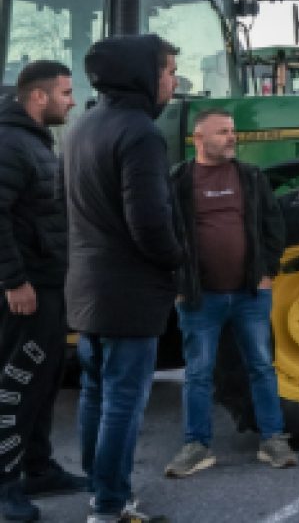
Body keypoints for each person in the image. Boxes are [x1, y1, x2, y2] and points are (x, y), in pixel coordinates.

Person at [64, 35, 184, 523]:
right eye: (170, 71)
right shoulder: (140, 133)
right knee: (123, 403)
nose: (175, 82)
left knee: (96, 394)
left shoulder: (82, 126)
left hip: (87, 287)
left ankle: (101, 491)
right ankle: (111, 506)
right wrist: (177, 263)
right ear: (144, 75)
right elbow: (150, 221)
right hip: (129, 293)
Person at [164, 109, 294, 478]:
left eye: (232, 131)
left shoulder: (250, 177)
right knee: (199, 373)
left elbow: (274, 226)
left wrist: (268, 271)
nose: (231, 137)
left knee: (261, 367)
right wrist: (178, 283)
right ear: (198, 139)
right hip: (199, 298)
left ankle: (273, 440)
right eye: (222, 132)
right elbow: (166, 233)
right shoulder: (178, 181)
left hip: (250, 294)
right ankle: (196, 446)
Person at [0, 62, 87, 522]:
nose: (72, 101)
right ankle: (5, 485)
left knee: (44, 381)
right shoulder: (11, 144)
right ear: (39, 97)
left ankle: (37, 467)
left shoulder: (34, 142)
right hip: (24, 290)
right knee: (15, 384)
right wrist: (14, 282)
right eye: (66, 93)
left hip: (48, 285)